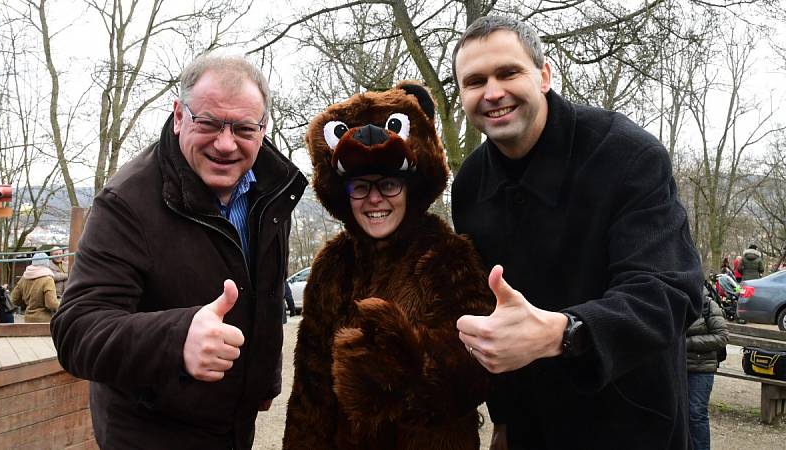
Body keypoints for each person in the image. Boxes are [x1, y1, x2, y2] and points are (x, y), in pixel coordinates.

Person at [450, 16, 703, 449]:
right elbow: (496, 313)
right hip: (534, 428)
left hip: (631, 423)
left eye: (508, 72)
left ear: (544, 76)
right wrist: (505, 419)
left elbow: (668, 292)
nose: (492, 92)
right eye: (475, 81)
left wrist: (564, 332)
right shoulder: (470, 185)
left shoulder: (627, 154)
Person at [50, 53, 307, 449]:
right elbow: (76, 330)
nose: (225, 144)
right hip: (150, 432)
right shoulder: (126, 202)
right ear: (178, 116)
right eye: (207, 123)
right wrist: (177, 339)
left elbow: (266, 296)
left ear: (262, 128)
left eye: (242, 128)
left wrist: (262, 379)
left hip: (233, 427)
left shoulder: (271, 192)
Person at [283, 83, 494, 449]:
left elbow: (479, 367)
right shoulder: (331, 267)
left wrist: (406, 367)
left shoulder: (448, 256)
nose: (375, 199)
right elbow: (310, 392)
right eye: (361, 187)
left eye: (388, 184)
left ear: (409, 187)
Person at [686, 292, 729, 450]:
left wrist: (688, 343)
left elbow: (722, 337)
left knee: (695, 413)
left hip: (700, 367)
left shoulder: (708, 305)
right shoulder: (671, 300)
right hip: (675, 367)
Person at [11, 253, 59, 323]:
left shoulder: (24, 277)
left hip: (28, 320)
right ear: (47, 263)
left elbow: (14, 299)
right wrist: (61, 305)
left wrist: (27, 304)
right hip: (44, 321)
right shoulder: (47, 279)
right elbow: (51, 304)